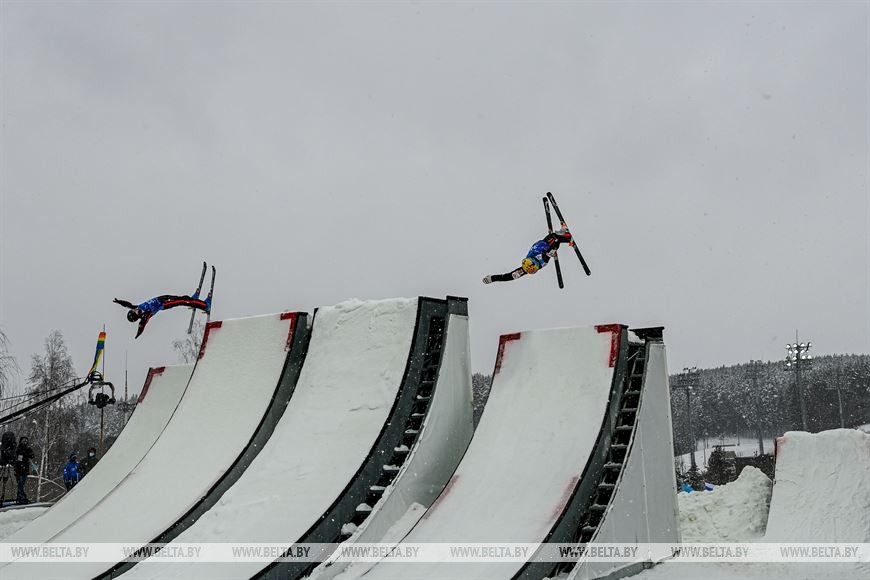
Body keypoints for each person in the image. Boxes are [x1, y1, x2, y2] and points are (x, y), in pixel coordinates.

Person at [483, 228, 574, 284]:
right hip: (546, 252)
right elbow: (509, 277)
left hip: (543, 246)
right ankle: (564, 238)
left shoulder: (528, 266)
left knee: (554, 238)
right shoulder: (526, 269)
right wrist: (492, 279)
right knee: (554, 242)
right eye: (534, 270)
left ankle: (562, 237)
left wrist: (492, 278)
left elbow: (508, 277)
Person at [114, 292, 210, 338]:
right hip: (164, 303)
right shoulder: (145, 315)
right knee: (182, 301)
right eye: (134, 311)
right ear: (137, 316)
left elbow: (128, 305)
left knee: (181, 298)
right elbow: (142, 326)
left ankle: (192, 299)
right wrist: (138, 334)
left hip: (162, 298)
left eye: (133, 309)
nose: (135, 309)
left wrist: (119, 302)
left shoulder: (137, 307)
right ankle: (205, 305)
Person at [14, 436, 35, 504]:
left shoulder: (27, 448)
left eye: (26, 441)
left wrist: (28, 452)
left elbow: (32, 456)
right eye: (23, 441)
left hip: (25, 470)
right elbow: (17, 460)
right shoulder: (18, 449)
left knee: (22, 484)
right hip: (19, 470)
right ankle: (22, 497)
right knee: (20, 484)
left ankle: (21, 497)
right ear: (21, 441)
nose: (25, 442)